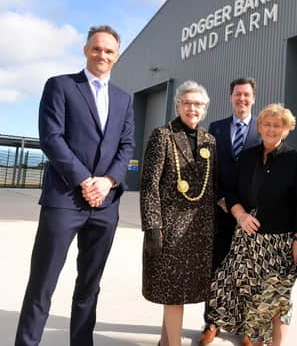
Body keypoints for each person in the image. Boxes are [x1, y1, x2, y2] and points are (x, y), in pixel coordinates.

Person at [15, 25, 135, 346]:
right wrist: (84, 180)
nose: (102, 55)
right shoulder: (61, 86)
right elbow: (51, 138)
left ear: (116, 57)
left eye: (109, 51)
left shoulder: (124, 99)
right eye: (96, 48)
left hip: (105, 206)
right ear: (85, 50)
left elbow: (126, 146)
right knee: (43, 283)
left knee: (89, 287)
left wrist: (107, 181)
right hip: (64, 199)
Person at [206, 103, 297, 346]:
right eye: (267, 124)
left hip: (280, 242)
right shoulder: (247, 157)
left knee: (277, 298)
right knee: (244, 290)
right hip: (246, 239)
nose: (271, 129)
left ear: (286, 130)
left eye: (278, 125)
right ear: (259, 127)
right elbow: (231, 191)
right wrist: (241, 215)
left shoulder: (296, 161)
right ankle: (252, 338)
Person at [140, 80, 218, 346]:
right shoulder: (162, 136)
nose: (192, 108)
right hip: (169, 229)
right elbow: (149, 185)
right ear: (178, 106)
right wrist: (152, 226)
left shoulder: (210, 140)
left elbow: (213, 185)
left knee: (179, 293)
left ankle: (165, 342)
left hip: (199, 232)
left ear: (205, 108)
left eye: (197, 104)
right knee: (173, 294)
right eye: (187, 103)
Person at [199, 77, 261, 344]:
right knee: (217, 267)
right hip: (222, 210)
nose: (242, 99)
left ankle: (248, 327)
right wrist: (221, 198)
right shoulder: (216, 128)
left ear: (253, 98)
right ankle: (212, 322)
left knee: (250, 270)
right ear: (231, 97)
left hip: (253, 214)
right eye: (237, 94)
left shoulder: (262, 127)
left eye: (246, 95)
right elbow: (208, 169)